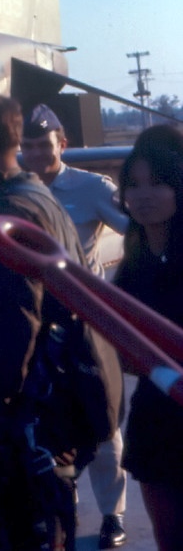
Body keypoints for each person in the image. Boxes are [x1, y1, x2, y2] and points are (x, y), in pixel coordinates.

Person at [0, 90, 121, 550]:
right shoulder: (31, 196)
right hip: (49, 415)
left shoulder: (9, 214)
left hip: (29, 423)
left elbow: (11, 333)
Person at [20, 103, 130, 549]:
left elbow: (137, 230)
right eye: (27, 146)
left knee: (102, 424)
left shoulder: (90, 188)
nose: (35, 155)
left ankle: (113, 515)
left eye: (43, 145)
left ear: (62, 144)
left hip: (86, 327)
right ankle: (62, 510)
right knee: (43, 428)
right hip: (35, 328)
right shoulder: (13, 191)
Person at [113, 133, 183, 551]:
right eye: (133, 185)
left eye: (157, 184)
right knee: (169, 539)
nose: (143, 196)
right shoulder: (133, 266)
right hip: (156, 420)